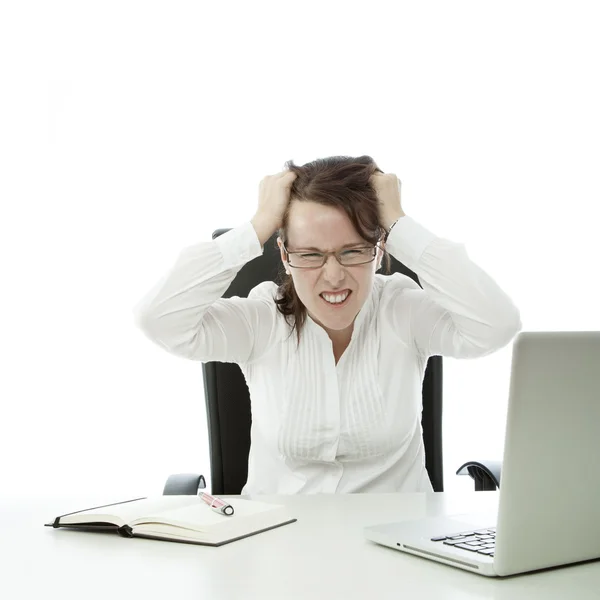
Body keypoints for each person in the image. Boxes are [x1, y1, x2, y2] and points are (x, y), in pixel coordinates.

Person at [133, 155, 522, 494]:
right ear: (284, 255)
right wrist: (258, 225)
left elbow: (497, 325)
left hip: (399, 548)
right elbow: (158, 318)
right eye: (310, 254)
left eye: (352, 251)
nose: (333, 276)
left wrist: (400, 223)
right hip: (278, 546)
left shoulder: (403, 310)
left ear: (379, 248)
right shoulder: (261, 319)